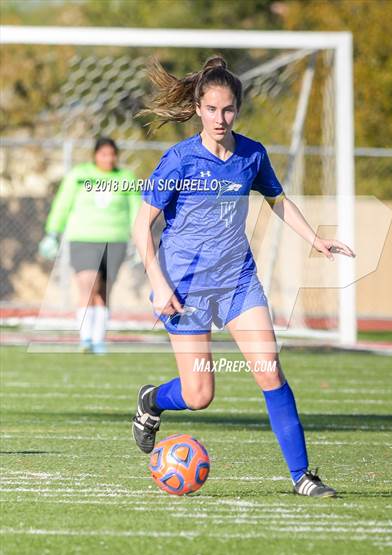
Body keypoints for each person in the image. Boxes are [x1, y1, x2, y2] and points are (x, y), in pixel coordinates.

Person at [132, 57, 355, 497]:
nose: (220, 118)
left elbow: (278, 199)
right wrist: (157, 282)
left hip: (237, 282)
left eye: (228, 109)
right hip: (184, 286)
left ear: (238, 109)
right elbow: (142, 226)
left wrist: (315, 238)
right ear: (198, 107)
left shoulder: (252, 155)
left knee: (269, 371)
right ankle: (152, 400)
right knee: (199, 395)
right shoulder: (179, 161)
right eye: (212, 109)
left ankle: (302, 476)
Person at [39, 137, 141, 354]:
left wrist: (141, 243)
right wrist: (53, 233)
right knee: (87, 285)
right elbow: (63, 204)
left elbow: (136, 211)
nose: (108, 159)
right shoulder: (79, 176)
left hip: (115, 240)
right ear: (95, 155)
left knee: (104, 291)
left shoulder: (126, 178)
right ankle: (85, 338)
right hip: (83, 238)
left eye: (112, 154)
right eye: (103, 154)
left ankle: (99, 339)